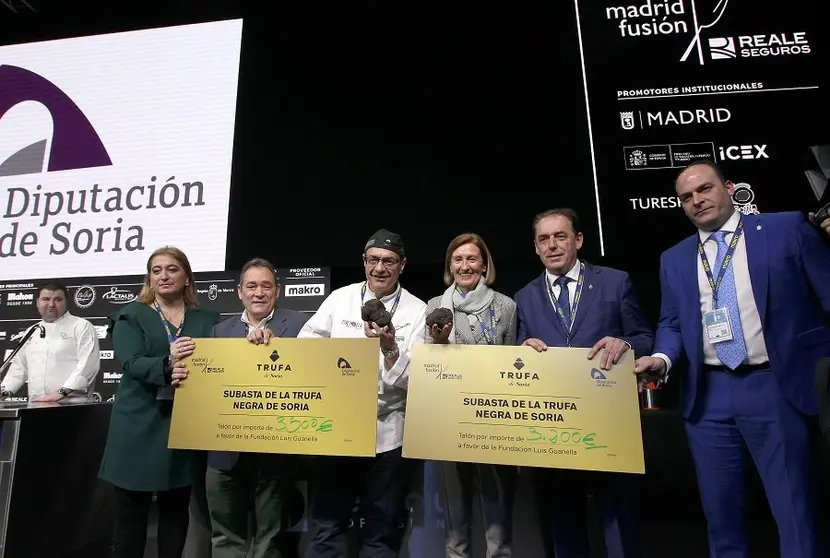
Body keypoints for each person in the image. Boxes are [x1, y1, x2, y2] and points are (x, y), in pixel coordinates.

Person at [634, 160, 830, 558]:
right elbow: (672, 322)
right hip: (708, 396)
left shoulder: (786, 228)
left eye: (704, 189)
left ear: (729, 187)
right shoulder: (674, 257)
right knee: (721, 515)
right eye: (686, 197)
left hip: (776, 386)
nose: (696, 201)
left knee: (794, 510)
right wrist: (661, 358)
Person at [515, 208, 652, 558]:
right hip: (554, 429)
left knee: (619, 523)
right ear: (535, 248)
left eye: (560, 236)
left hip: (610, 422)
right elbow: (516, 357)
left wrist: (628, 344)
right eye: (543, 239)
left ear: (578, 240)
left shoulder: (614, 281)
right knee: (564, 527)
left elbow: (643, 336)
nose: (552, 245)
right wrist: (521, 350)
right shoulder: (524, 297)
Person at [299, 228, 427, 558]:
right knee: (326, 526)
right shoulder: (339, 299)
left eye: (388, 261)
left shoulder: (417, 310)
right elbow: (306, 346)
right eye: (373, 260)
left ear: (402, 265)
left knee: (381, 532)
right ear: (364, 261)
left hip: (388, 436)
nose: (379, 268)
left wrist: (389, 348)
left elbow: (420, 378)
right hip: (337, 432)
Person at [173, 258, 310, 558]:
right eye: (251, 286)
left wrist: (279, 348)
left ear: (277, 290)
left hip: (276, 449)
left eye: (266, 285)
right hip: (224, 454)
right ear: (239, 292)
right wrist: (180, 370)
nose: (258, 292)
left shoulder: (301, 326)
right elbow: (206, 385)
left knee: (270, 537)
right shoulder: (219, 331)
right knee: (224, 536)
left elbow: (314, 377)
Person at [98, 246, 220, 558]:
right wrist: (167, 365)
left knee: (175, 513)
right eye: (156, 270)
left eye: (172, 269)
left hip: (183, 425)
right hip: (138, 423)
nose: (164, 276)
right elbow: (131, 362)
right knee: (131, 516)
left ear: (187, 276)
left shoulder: (208, 319)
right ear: (149, 279)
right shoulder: (131, 314)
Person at [425, 233, 517, 558]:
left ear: (484, 264)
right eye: (458, 259)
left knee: (496, 507)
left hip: (493, 417)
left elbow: (512, 365)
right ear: (450, 265)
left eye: (471, 259)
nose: (465, 266)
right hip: (450, 418)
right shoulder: (435, 307)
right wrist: (440, 344)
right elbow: (428, 366)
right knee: (455, 511)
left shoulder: (506, 306)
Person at [0, 280, 100, 403]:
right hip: (36, 405)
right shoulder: (32, 331)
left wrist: (61, 393)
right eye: (46, 299)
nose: (51, 304)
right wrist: (5, 392)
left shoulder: (81, 326)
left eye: (58, 299)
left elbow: (88, 365)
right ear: (37, 302)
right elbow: (19, 369)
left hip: (72, 405)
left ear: (66, 302)